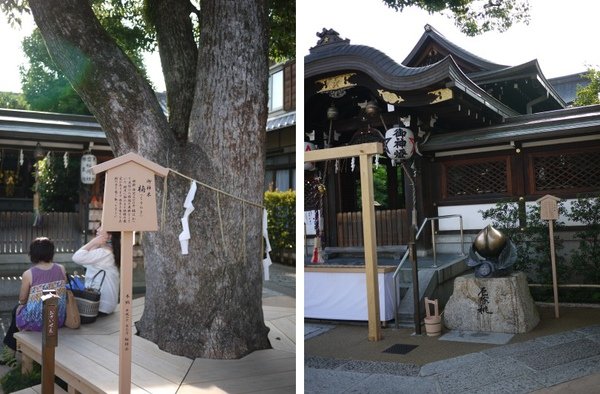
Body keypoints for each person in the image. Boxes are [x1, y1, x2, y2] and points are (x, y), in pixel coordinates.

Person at [2, 237, 67, 351]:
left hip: (37, 322)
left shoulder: (29, 273)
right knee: (17, 311)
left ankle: (11, 350)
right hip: (58, 318)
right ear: (51, 252)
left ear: (33, 254)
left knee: (17, 310)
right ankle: (11, 349)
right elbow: (61, 288)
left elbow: (22, 299)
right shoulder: (61, 268)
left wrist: (23, 304)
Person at [71, 224, 120, 316]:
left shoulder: (105, 253)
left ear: (110, 235)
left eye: (101, 227)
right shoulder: (108, 251)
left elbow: (76, 257)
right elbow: (85, 261)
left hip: (98, 305)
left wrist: (93, 242)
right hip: (105, 304)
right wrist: (96, 243)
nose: (97, 230)